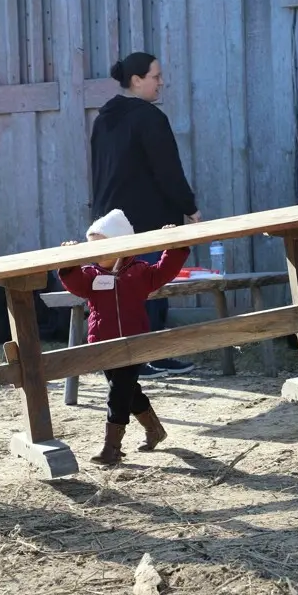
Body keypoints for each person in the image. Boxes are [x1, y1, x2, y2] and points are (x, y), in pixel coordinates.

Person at [91, 52, 200, 379]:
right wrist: (190, 207)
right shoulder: (149, 118)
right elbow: (167, 171)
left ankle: (131, 358)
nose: (161, 81)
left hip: (109, 223)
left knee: (122, 294)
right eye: (156, 76)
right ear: (137, 80)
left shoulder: (104, 119)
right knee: (149, 287)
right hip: (147, 222)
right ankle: (150, 357)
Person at [58, 209, 189, 464]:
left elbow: (165, 270)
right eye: (92, 248)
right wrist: (68, 260)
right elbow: (74, 283)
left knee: (118, 393)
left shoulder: (139, 272)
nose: (97, 254)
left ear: (122, 245)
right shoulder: (90, 276)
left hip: (134, 343)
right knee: (128, 392)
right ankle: (155, 430)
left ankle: (111, 448)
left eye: (103, 247)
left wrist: (175, 244)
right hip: (104, 345)